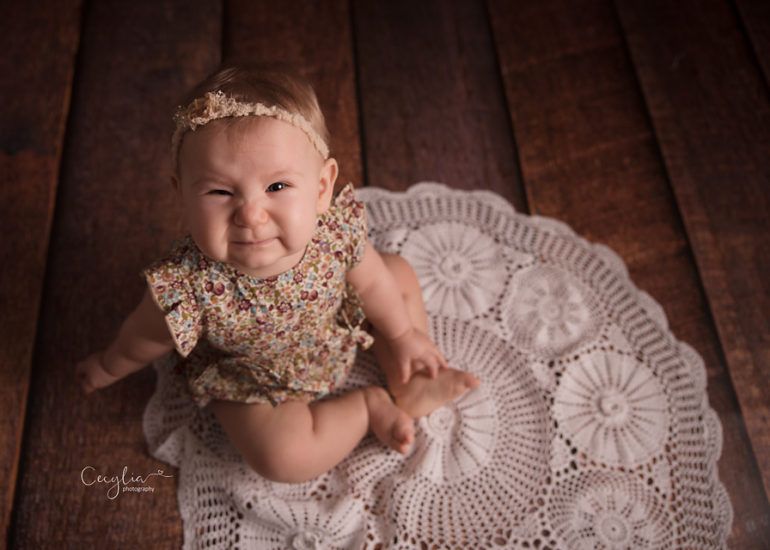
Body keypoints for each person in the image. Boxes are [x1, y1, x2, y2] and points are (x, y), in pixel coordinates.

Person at [76, 64, 479, 483]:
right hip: (252, 376)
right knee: (284, 458)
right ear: (181, 193)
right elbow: (143, 337)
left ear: (322, 188)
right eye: (220, 191)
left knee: (396, 274)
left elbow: (374, 282)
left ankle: (408, 371)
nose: (250, 214)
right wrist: (108, 365)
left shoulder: (333, 234)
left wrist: (401, 334)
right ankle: (367, 407)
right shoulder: (187, 285)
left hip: (330, 328)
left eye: (277, 187)